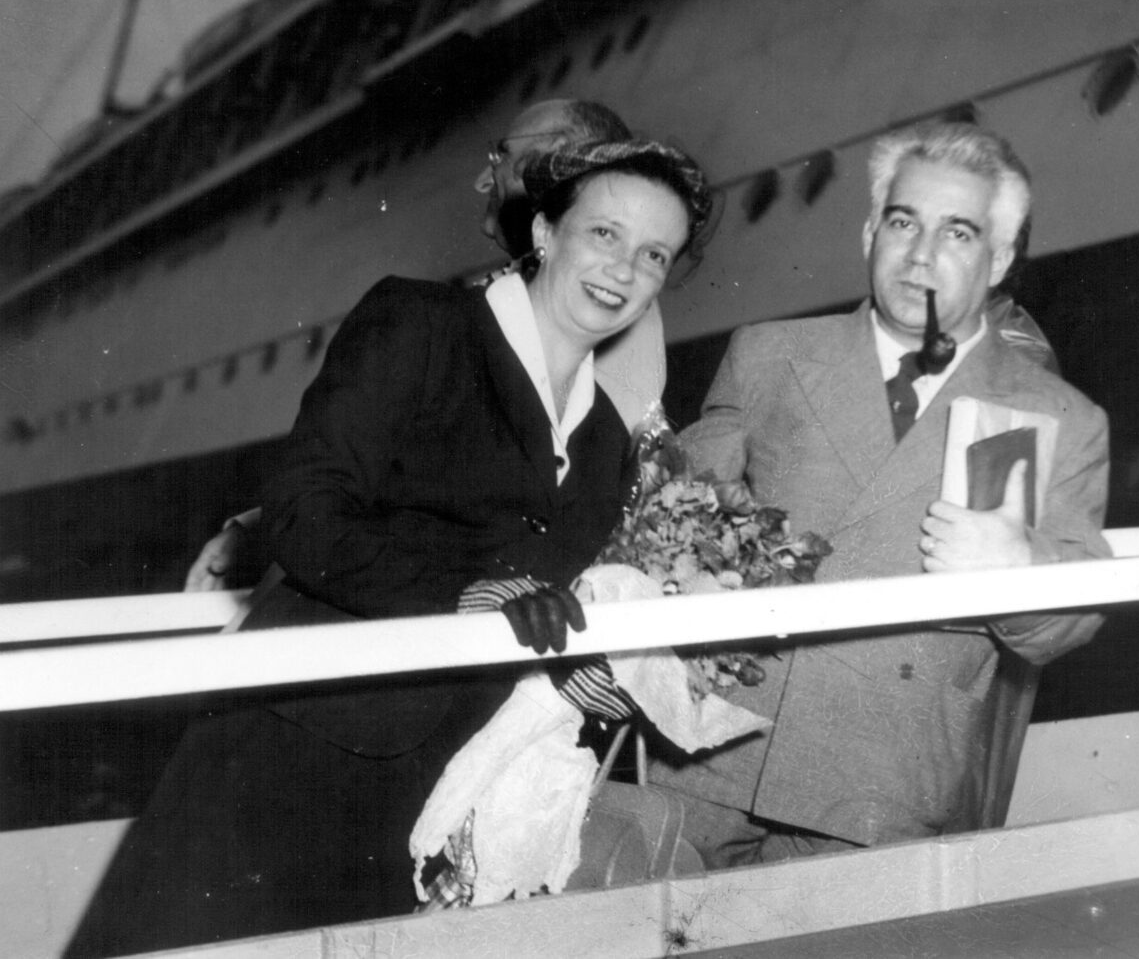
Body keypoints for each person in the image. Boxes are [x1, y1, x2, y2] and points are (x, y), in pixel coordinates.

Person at [66, 139, 714, 957]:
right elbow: (304, 509)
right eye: (604, 233)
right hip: (294, 750)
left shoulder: (604, 445)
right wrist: (464, 599)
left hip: (425, 792)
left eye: (654, 255)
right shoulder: (425, 324)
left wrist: (588, 664)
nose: (623, 268)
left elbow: (533, 605)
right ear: (545, 232)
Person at [645, 121, 1110, 866]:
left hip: (878, 779)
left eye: (958, 233)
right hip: (709, 752)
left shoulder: (1056, 415)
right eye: (903, 222)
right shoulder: (767, 356)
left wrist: (1017, 569)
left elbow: (1071, 619)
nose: (921, 254)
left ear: (999, 260)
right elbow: (672, 520)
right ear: (869, 234)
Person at [183, 98, 664, 591]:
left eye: (501, 155)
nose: (484, 180)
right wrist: (264, 525)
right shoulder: (492, 310)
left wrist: (273, 526)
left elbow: (523, 495)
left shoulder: (599, 321)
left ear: (552, 157)